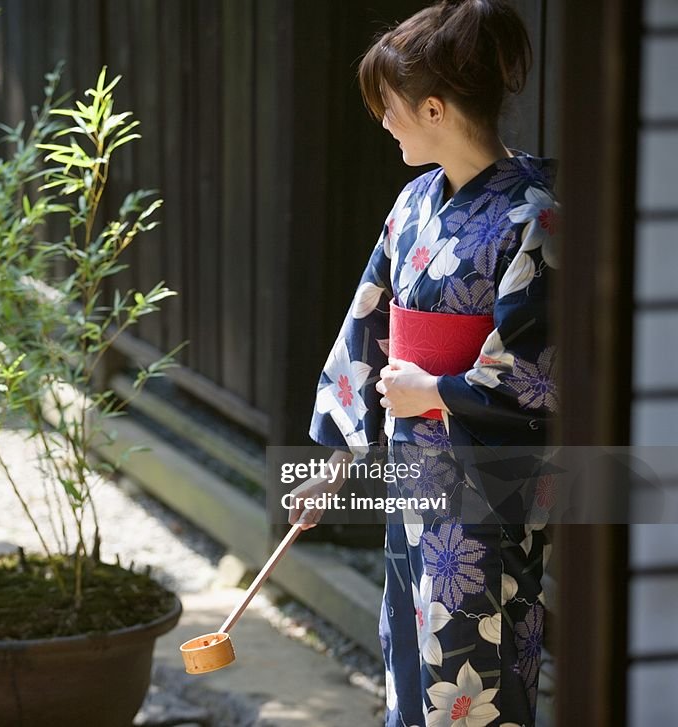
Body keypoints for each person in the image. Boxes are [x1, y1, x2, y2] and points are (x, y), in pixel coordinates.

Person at [287, 1, 559, 725]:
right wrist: (333, 463)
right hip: (414, 480)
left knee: (477, 667)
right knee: (410, 659)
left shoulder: (533, 217)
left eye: (390, 108)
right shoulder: (413, 204)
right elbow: (366, 324)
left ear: (433, 108)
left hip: (483, 497)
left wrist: (433, 390)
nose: (384, 122)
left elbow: (534, 375)